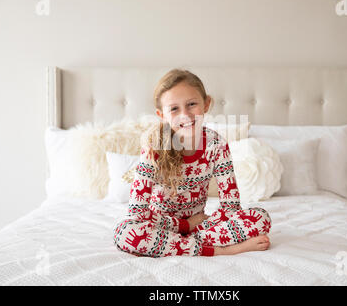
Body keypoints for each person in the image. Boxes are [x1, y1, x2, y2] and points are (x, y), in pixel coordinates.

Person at [113, 68, 271, 257]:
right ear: (161, 114)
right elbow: (137, 213)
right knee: (125, 232)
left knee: (260, 218)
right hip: (159, 226)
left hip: (202, 226)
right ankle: (221, 250)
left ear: (206, 104)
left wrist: (198, 225)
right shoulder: (153, 147)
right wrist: (185, 225)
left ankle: (170, 246)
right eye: (174, 109)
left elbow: (231, 207)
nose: (185, 115)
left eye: (192, 104)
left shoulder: (216, 144)